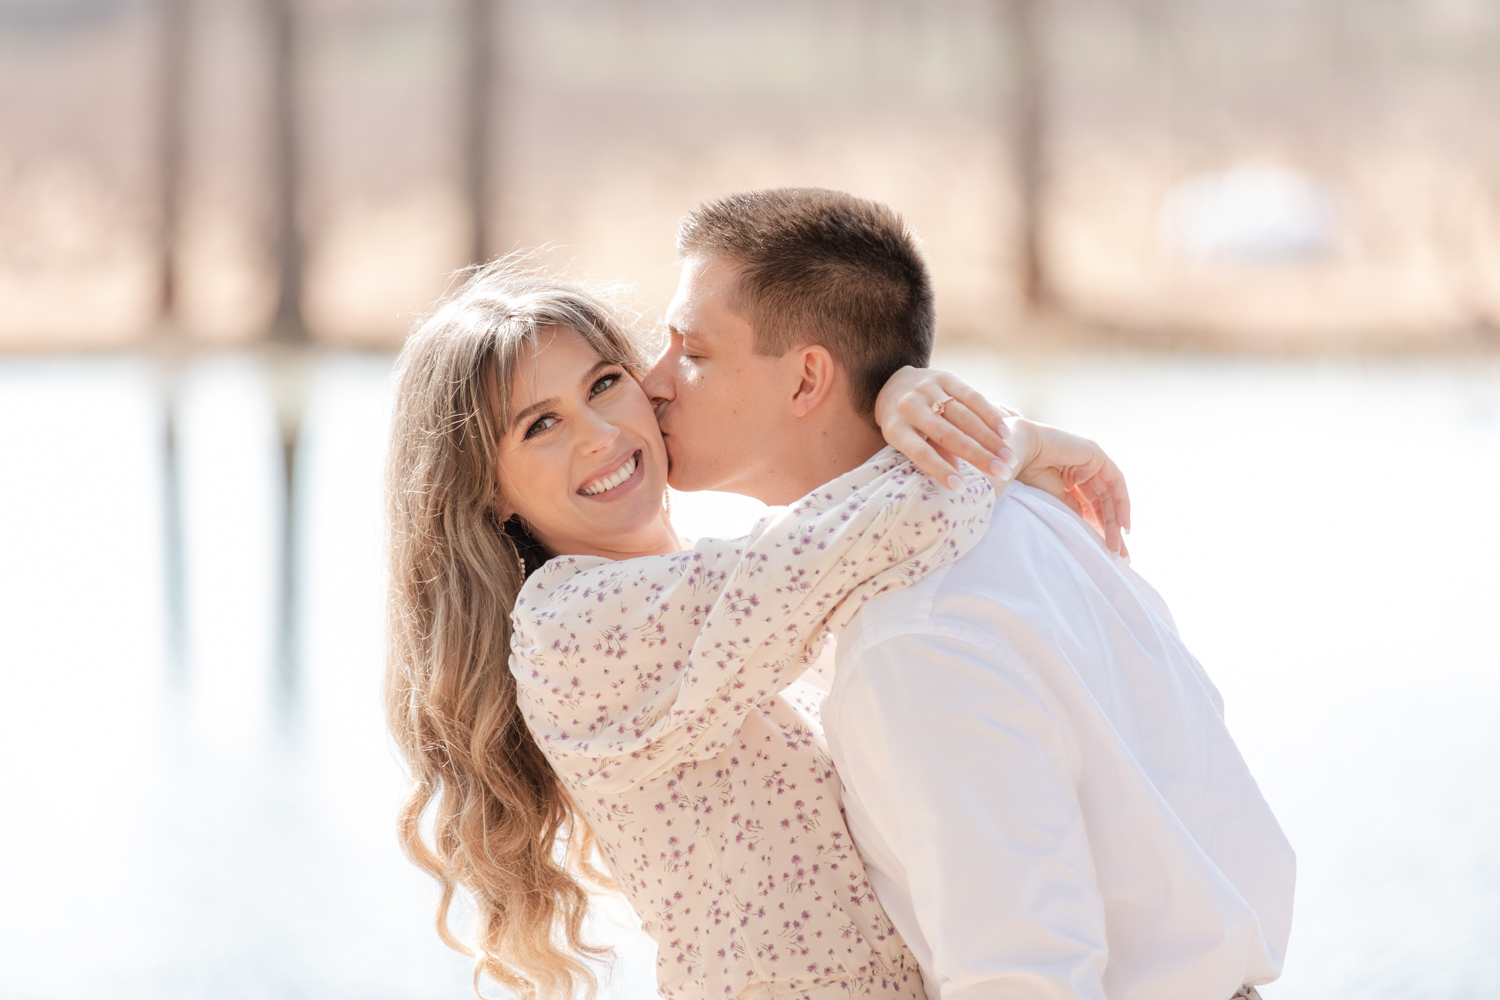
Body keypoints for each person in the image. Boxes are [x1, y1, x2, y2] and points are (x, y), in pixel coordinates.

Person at [383, 262, 1126, 1000]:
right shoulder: (573, 628)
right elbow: (906, 519)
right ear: (487, 485)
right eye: (541, 425)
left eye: (605, 383)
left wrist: (901, 394)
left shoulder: (713, 591)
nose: (600, 434)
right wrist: (990, 434)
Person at [640, 187, 1295, 1000]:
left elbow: (1022, 976)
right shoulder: (1017, 505)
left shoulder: (912, 635)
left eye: (691, 352)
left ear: (808, 378)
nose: (653, 379)